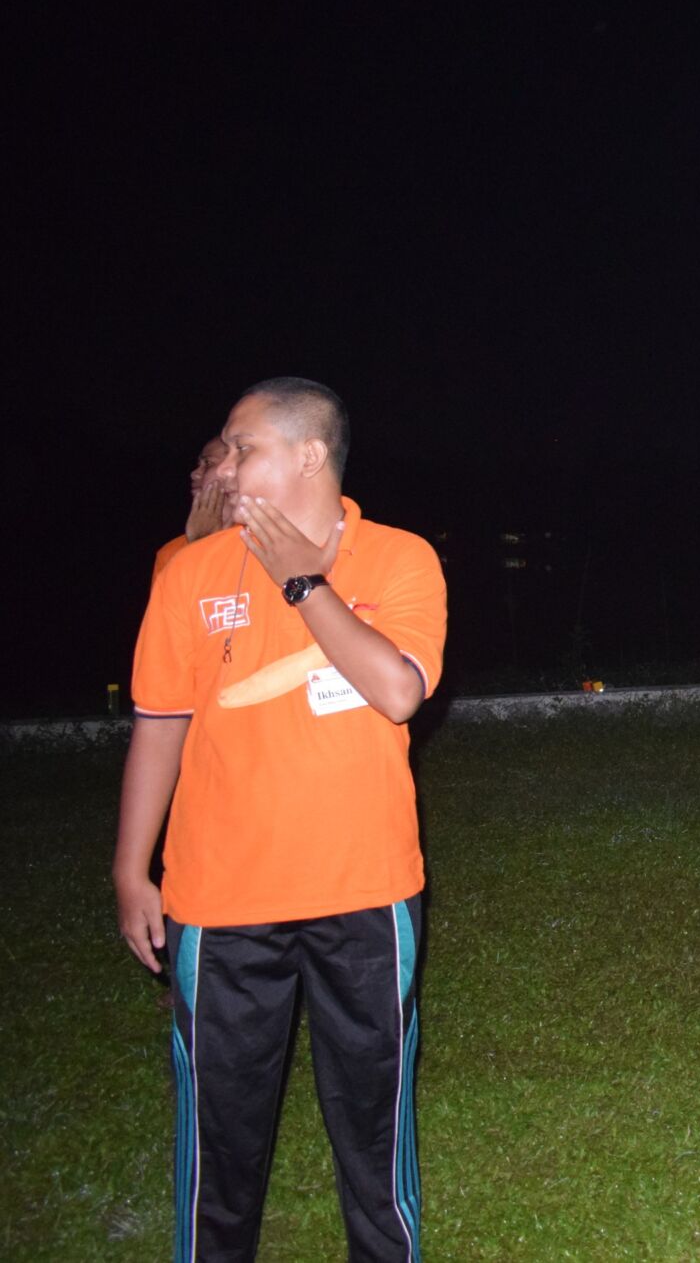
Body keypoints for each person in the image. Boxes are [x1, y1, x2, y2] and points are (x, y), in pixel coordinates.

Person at [115, 377, 447, 1260]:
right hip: (220, 898)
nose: (223, 464)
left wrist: (301, 578)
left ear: (309, 454)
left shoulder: (400, 558)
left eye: (242, 446)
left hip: (365, 892)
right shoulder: (189, 573)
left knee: (374, 1125)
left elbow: (397, 690)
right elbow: (159, 725)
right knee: (220, 1135)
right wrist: (130, 866)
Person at [152, 437, 235, 581]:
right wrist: (200, 542)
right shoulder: (171, 553)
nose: (195, 473)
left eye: (208, 463)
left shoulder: (261, 539)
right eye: (198, 464)